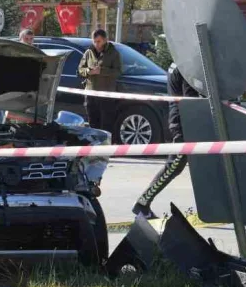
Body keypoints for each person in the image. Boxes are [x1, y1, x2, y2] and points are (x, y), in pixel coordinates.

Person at [133, 64, 199, 219]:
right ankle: (142, 203)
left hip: (184, 119)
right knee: (175, 165)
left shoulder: (179, 63)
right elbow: (190, 99)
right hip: (184, 122)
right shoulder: (186, 67)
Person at [78, 29, 122, 133]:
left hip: (105, 95)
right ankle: (93, 146)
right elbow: (80, 69)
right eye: (94, 41)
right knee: (92, 123)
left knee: (106, 124)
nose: (96, 44)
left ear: (105, 40)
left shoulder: (113, 53)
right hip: (90, 94)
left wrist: (101, 71)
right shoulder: (89, 52)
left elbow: (118, 72)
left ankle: (105, 146)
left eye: (99, 41)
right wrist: (89, 71)